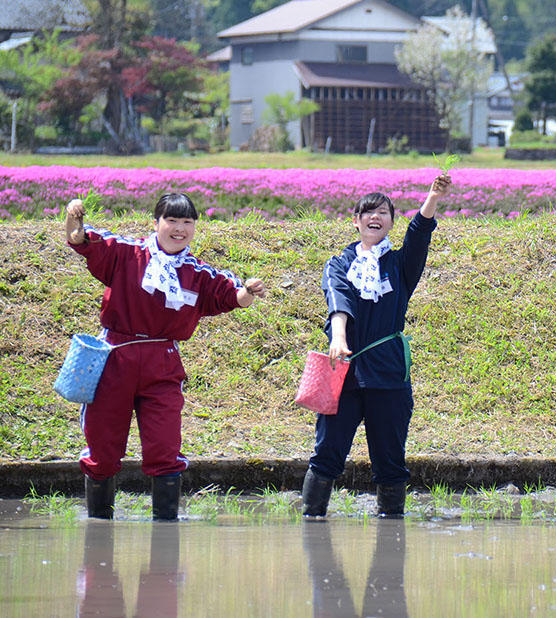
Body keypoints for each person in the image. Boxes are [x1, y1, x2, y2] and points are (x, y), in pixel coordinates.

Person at [64, 194, 265, 521]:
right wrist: (74, 221)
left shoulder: (198, 274)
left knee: (165, 447)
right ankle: (98, 531)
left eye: (187, 222)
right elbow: (81, 240)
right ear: (156, 223)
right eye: (172, 220)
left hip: (163, 363)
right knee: (102, 447)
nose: (179, 228)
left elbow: (232, 296)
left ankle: (165, 542)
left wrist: (249, 292)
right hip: (115, 357)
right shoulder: (127, 253)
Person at [301, 174, 451, 519]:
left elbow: (419, 235)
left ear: (391, 222)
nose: (375, 217)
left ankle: (391, 538)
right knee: (327, 454)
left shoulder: (400, 265)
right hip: (343, 372)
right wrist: (338, 336)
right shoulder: (339, 263)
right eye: (368, 212)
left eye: (383, 212)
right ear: (355, 221)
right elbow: (337, 300)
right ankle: (311, 523)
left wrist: (432, 196)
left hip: (389, 375)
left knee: (390, 460)